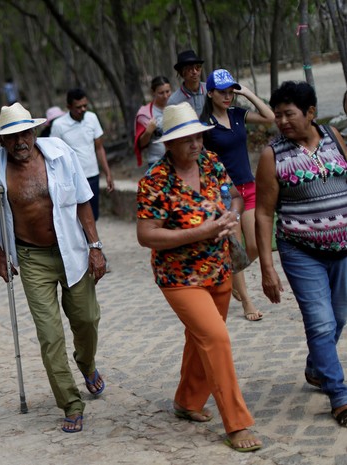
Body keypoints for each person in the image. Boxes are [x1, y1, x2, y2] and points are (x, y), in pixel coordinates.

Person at [0, 102, 106, 434]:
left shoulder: (59, 153)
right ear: (2, 141)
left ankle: (86, 363)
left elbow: (82, 198)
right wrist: (0, 254)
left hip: (71, 250)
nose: (21, 141)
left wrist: (95, 246)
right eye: (13, 136)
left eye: (25, 133)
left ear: (35, 131)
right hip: (32, 259)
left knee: (87, 318)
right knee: (49, 335)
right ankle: (70, 402)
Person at [136, 102, 262, 452]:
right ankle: (236, 424)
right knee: (217, 338)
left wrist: (231, 217)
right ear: (169, 144)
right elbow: (146, 234)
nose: (195, 144)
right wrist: (200, 232)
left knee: (200, 338)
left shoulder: (211, 163)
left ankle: (188, 401)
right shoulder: (155, 181)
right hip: (179, 276)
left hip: (219, 268)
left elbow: (235, 196)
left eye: (198, 136)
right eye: (186, 139)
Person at [256, 81, 347, 427]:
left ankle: (315, 367)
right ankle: (340, 396)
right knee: (321, 321)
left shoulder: (334, 137)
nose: (281, 120)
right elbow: (264, 213)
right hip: (301, 251)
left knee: (338, 318)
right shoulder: (272, 155)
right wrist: (268, 267)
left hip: (343, 249)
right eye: (277, 114)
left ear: (310, 113)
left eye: (288, 113)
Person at [199, 69, 274, 321]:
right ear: (210, 93)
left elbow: (269, 117)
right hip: (225, 193)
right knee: (237, 247)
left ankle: (230, 275)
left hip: (249, 187)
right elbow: (201, 159)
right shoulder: (206, 125)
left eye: (231, 91)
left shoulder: (238, 114)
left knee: (254, 245)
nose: (228, 96)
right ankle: (247, 303)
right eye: (222, 92)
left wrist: (248, 93)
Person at [50, 88, 114, 222]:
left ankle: (91, 242)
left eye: (85, 105)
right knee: (76, 217)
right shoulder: (59, 125)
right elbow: (54, 154)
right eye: (78, 107)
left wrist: (108, 173)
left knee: (94, 215)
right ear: (69, 107)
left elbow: (99, 148)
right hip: (72, 178)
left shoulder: (92, 118)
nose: (83, 109)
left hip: (92, 175)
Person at [134, 76, 172, 167]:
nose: (165, 96)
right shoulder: (145, 114)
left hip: (178, 160)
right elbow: (141, 144)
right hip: (156, 162)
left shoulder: (176, 107)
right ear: (153, 92)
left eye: (168, 91)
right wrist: (148, 132)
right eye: (161, 93)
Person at [168, 50, 207, 116]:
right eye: (190, 69)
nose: (195, 72)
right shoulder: (174, 101)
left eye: (197, 67)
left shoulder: (210, 90)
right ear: (181, 72)